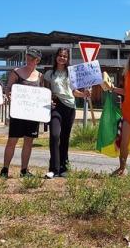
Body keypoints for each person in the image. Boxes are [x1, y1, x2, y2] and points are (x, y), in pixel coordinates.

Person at [43, 48, 90, 179]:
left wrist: (84, 94)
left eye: (65, 56)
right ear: (56, 57)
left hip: (70, 107)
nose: (62, 58)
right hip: (56, 106)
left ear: (67, 59)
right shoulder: (49, 74)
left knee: (65, 138)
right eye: (60, 55)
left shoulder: (72, 73)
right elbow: (44, 90)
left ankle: (64, 168)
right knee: (54, 135)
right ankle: (53, 169)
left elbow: (74, 92)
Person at [0, 48, 44, 178]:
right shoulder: (16, 72)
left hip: (32, 115)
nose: (29, 60)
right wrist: (9, 95)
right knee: (12, 141)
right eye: (28, 57)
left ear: (37, 60)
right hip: (17, 114)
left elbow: (41, 95)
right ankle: (5, 169)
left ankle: (24, 170)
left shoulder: (40, 76)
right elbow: (8, 88)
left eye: (33, 58)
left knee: (28, 142)